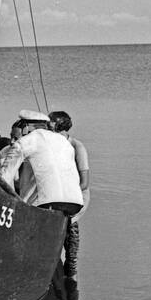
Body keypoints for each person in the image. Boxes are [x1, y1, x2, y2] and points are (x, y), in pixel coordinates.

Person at [0, 110, 83, 216]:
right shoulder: (64, 142)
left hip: (45, 203)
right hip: (74, 204)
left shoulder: (27, 140)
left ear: (26, 128)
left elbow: (4, 178)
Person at [50, 110, 89, 278]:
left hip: (73, 200)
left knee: (71, 251)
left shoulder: (76, 147)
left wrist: (67, 195)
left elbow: (85, 182)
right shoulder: (51, 145)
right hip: (55, 200)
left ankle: (70, 282)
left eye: (50, 123)